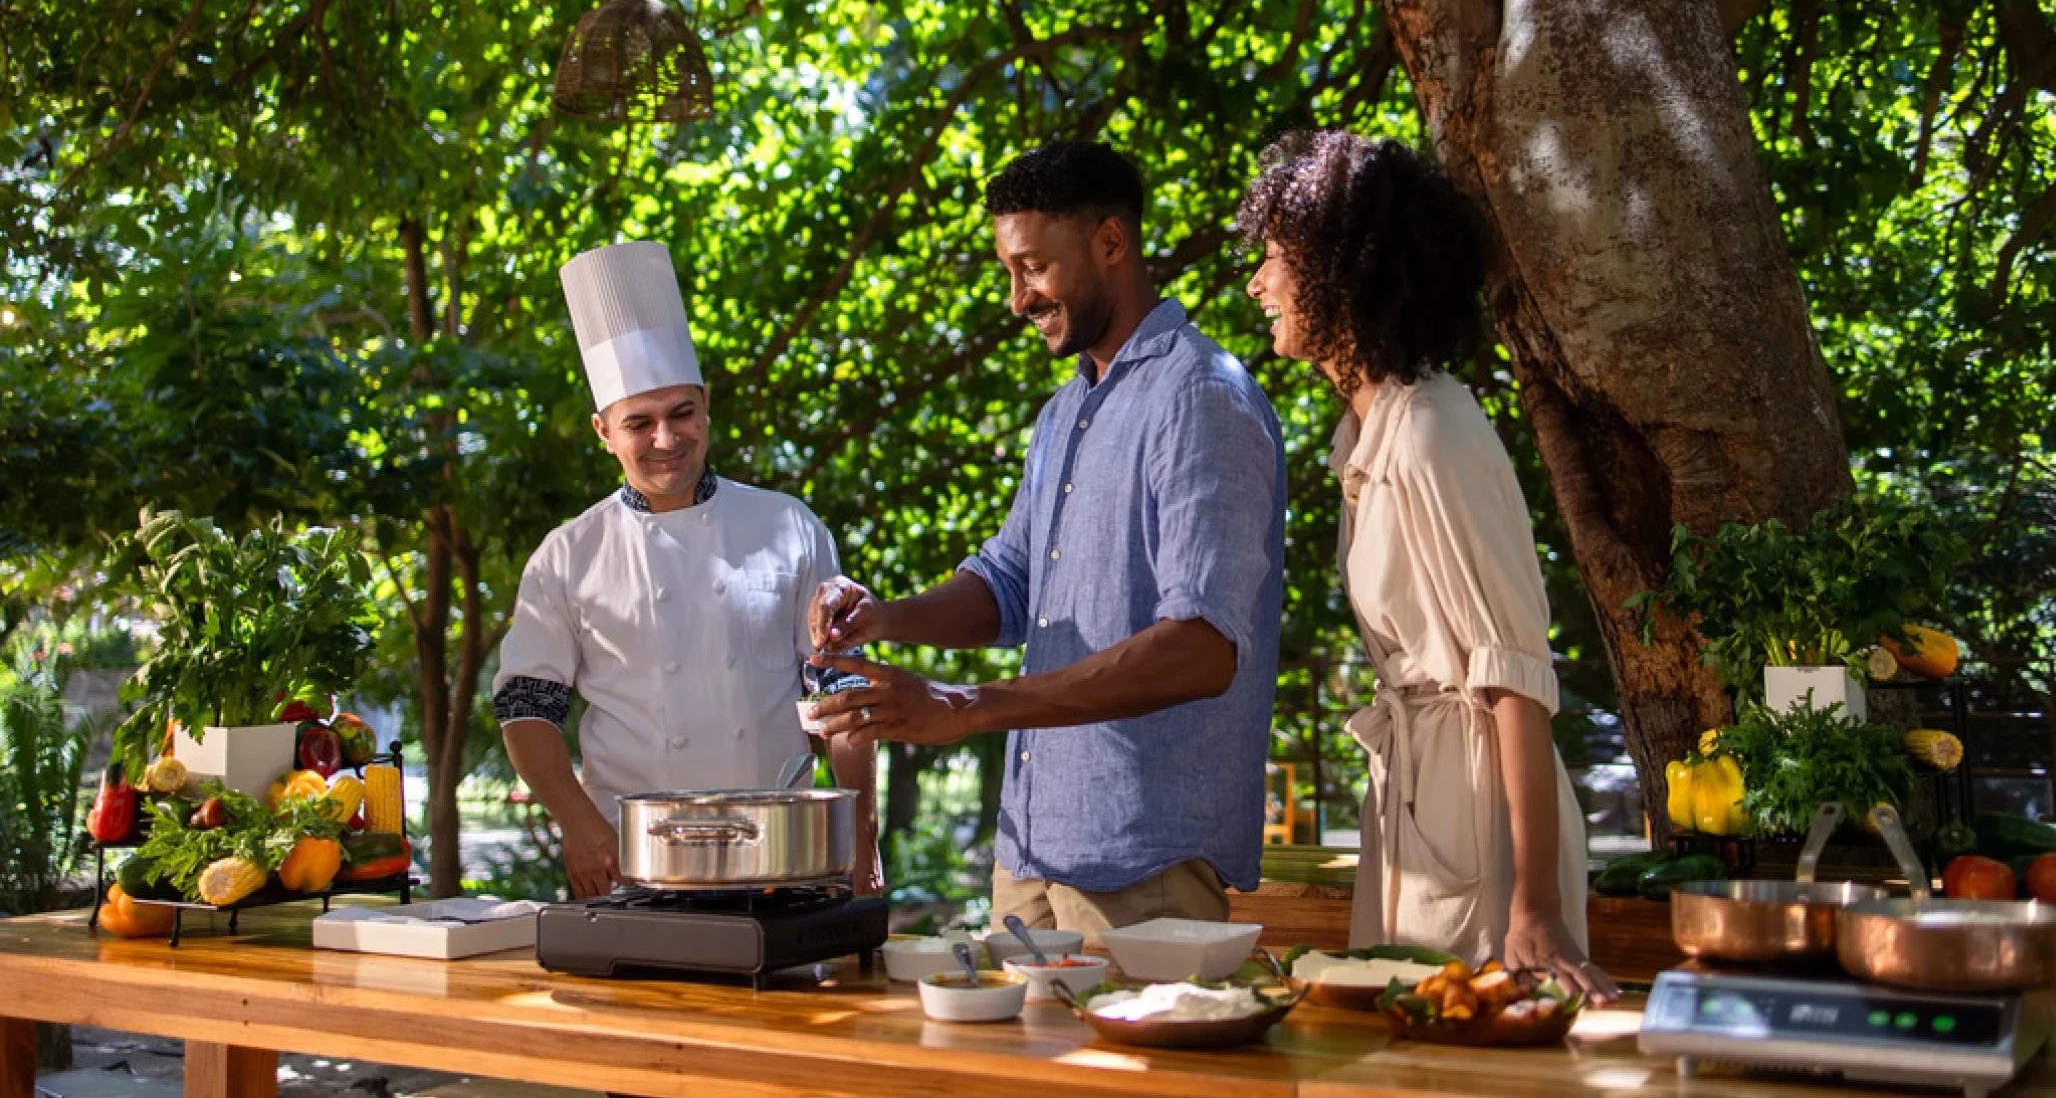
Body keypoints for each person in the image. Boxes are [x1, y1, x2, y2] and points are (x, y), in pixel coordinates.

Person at [805, 141, 1285, 941]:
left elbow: (1203, 648)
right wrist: (885, 616)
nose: (1017, 298)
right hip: (1028, 854)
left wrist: (966, 705)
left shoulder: (1201, 397)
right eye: (1007, 270)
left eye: (1032, 267)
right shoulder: (1064, 412)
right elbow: (1009, 584)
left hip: (1145, 867)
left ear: (1110, 242)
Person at [1238, 131, 1616, 1001]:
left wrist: (1533, 904)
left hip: (1482, 817)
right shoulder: (1364, 436)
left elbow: (1517, 673)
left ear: (1343, 268)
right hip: (1412, 802)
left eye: (1274, 260)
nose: (1258, 284)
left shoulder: (1434, 428)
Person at [492, 240, 879, 901]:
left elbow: (842, 697)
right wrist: (579, 825)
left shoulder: (789, 526)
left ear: (706, 402)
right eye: (638, 423)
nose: (666, 439)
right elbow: (526, 707)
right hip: (629, 857)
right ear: (602, 431)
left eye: (681, 413)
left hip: (781, 860)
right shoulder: (568, 553)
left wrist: (861, 834)